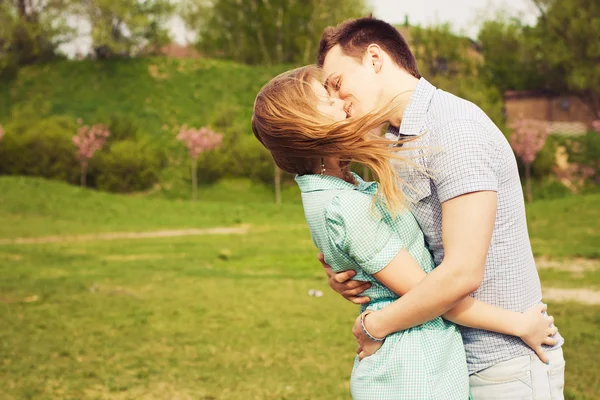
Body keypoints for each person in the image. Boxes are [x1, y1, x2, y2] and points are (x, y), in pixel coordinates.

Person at [251, 65, 558, 400]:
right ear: (309, 125)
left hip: (424, 360)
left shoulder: (344, 190)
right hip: (415, 368)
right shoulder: (344, 207)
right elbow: (432, 292)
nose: (342, 101)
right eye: (328, 97)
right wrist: (517, 324)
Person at [315, 17, 565, 399]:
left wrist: (374, 325)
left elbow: (461, 273)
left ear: (375, 59)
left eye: (337, 84)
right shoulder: (397, 141)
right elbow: (412, 253)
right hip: (450, 363)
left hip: (504, 363)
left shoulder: (454, 130)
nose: (338, 100)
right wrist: (354, 272)